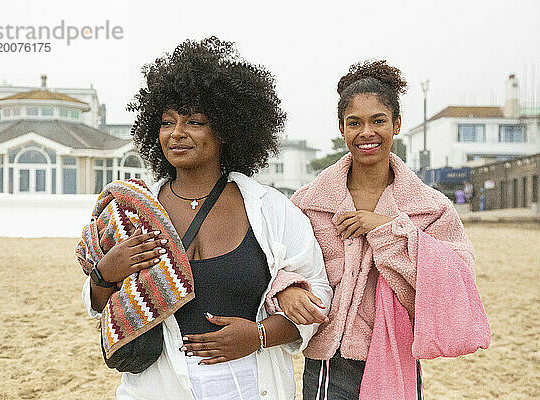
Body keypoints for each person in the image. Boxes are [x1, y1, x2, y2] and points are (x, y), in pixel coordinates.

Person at [79, 37, 332, 400]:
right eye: (167, 122)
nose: (177, 133)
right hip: (157, 387)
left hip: (250, 385)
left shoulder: (270, 210)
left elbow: (318, 296)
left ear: (226, 130)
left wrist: (259, 336)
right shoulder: (133, 209)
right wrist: (106, 271)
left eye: (194, 121)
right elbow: (98, 307)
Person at [267, 60, 490, 399]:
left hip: (398, 354)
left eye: (378, 121)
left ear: (397, 124)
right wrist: (286, 289)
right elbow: (274, 260)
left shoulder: (430, 208)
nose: (366, 132)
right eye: (354, 122)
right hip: (331, 359)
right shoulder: (309, 203)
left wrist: (388, 228)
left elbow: (458, 279)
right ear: (342, 129)